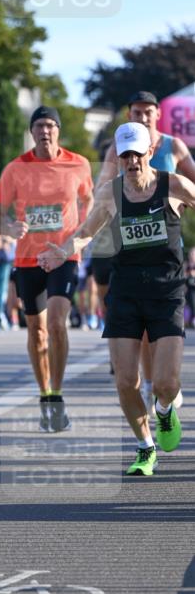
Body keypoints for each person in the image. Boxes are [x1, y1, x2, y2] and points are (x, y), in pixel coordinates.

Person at [38, 122, 193, 476]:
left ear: (150, 152)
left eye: (137, 154)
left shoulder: (173, 185)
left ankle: (164, 411)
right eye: (125, 156)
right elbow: (86, 231)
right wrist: (63, 252)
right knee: (125, 381)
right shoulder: (111, 193)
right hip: (126, 291)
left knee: (166, 384)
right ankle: (145, 447)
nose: (132, 161)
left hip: (166, 290)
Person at [0, 106, 93, 433]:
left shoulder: (78, 164)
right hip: (28, 260)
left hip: (63, 257)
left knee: (58, 323)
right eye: (39, 126)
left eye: (50, 125)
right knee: (37, 331)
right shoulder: (15, 169)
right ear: (31, 131)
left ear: (58, 130)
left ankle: (57, 394)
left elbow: (90, 203)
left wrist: (79, 237)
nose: (45, 131)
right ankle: (44, 392)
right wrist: (8, 228)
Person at [98, 92, 194, 411]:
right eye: (137, 112)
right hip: (131, 246)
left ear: (157, 114)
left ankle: (164, 383)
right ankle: (152, 384)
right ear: (130, 115)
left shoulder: (173, 146)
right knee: (139, 331)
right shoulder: (117, 148)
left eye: (147, 112)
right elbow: (103, 185)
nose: (142, 117)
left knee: (160, 329)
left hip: (168, 245)